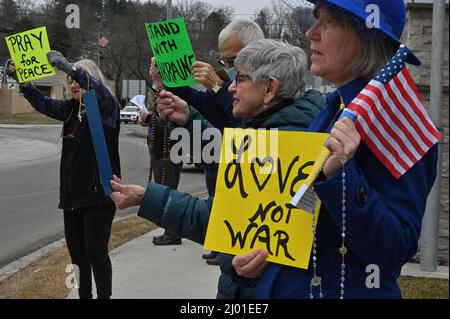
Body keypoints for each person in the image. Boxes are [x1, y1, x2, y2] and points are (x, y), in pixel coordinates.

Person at [230, 0, 439, 299]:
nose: (309, 32)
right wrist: (256, 266)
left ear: (367, 34)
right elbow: (302, 217)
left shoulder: (397, 125)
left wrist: (342, 176)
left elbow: (393, 250)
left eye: (326, 22)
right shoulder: (332, 111)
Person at [109, 39, 326, 299]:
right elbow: (229, 161)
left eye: (240, 79)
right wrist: (189, 118)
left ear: (270, 88)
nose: (231, 87)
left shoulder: (288, 144)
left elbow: (218, 218)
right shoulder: (270, 130)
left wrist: (146, 197)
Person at [6, 52, 121, 299]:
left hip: (99, 195)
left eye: (78, 78)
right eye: (70, 80)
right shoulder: (70, 110)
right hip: (72, 196)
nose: (73, 83)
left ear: (93, 79)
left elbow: (98, 93)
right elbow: (44, 103)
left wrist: (70, 68)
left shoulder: (106, 108)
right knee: (77, 255)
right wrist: (24, 83)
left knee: (95, 251)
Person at [150, 19, 265, 262]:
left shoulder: (266, 90)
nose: (229, 68)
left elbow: (245, 127)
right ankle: (221, 249)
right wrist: (169, 77)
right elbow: (200, 103)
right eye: (225, 61)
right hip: (219, 165)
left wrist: (217, 85)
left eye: (233, 60)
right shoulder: (229, 88)